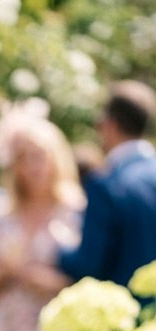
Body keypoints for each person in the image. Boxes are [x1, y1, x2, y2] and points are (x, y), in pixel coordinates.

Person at [0, 115, 83, 331]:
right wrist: (5, 268)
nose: (34, 166)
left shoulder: (76, 210)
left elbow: (87, 280)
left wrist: (33, 275)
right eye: (24, 158)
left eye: (40, 156)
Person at [58, 80, 156, 288]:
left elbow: (88, 265)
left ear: (109, 125)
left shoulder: (107, 186)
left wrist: (60, 248)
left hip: (128, 314)